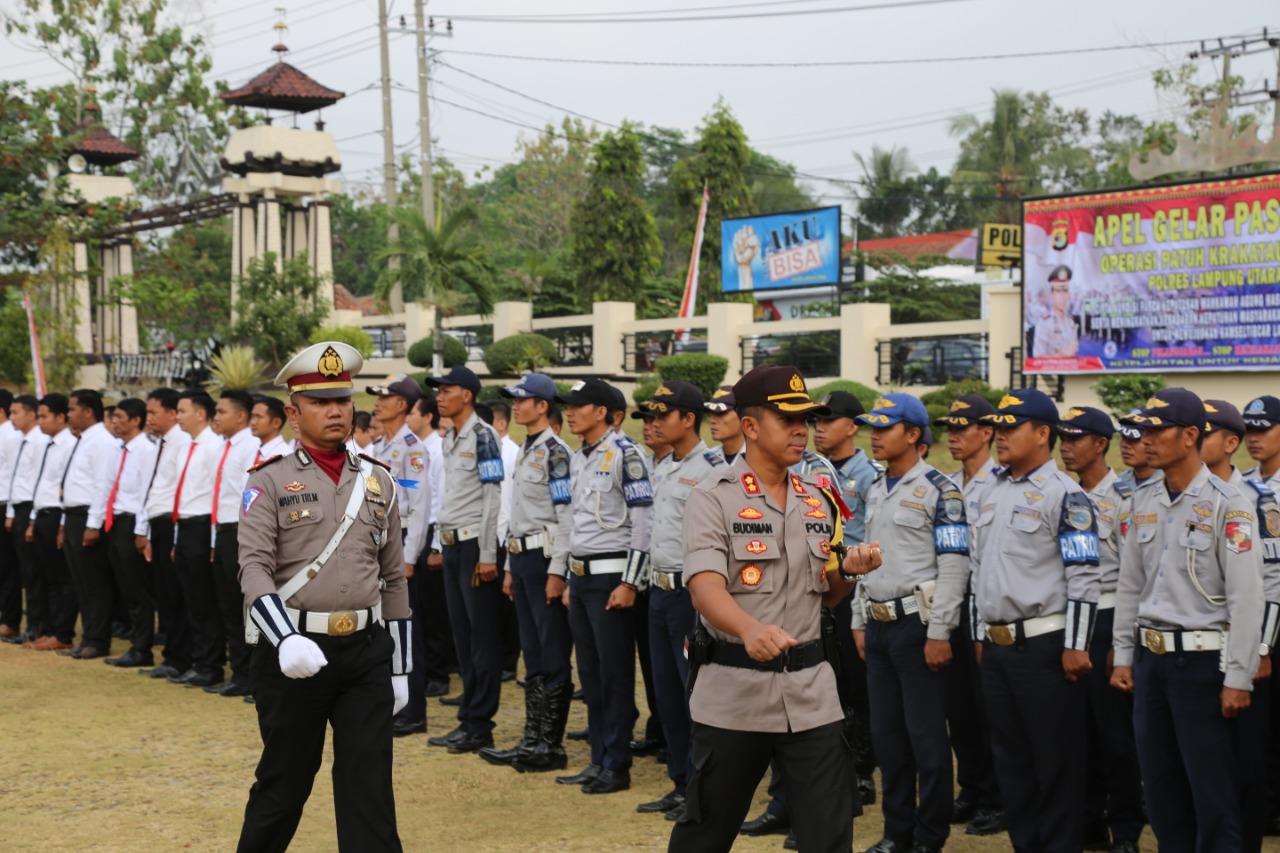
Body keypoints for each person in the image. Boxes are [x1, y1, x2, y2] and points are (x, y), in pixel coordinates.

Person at [668, 365, 873, 853]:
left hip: (811, 695)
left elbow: (824, 594)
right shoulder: (712, 498)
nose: (803, 430)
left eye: (808, 419)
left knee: (829, 835)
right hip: (735, 695)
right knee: (706, 832)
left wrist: (850, 571)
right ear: (752, 426)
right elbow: (704, 588)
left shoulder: (819, 500)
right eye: (789, 419)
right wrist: (750, 628)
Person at [235, 340, 410, 852]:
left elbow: (393, 577)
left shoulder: (378, 481)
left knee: (369, 788)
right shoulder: (267, 482)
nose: (335, 411)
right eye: (319, 401)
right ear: (293, 413)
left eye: (342, 399)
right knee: (283, 786)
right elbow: (253, 568)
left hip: (365, 653)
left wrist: (401, 666)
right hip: (293, 656)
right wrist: (284, 639)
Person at [1112, 388, 1264, 850]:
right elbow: (1129, 586)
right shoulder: (1143, 500)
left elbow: (1246, 596)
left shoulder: (1229, 503)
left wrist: (1239, 677)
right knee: (1160, 794)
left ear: (1190, 436)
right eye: (1145, 429)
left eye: (1159, 429)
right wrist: (1123, 655)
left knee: (1212, 795)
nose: (1147, 438)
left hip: (1201, 666)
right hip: (1151, 663)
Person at [973, 388, 1100, 852]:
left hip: (1045, 648)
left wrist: (1077, 645)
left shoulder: (1065, 495)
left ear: (1043, 433)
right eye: (997, 427)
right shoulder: (991, 490)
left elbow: (1085, 578)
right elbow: (977, 566)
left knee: (1056, 766)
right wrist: (978, 633)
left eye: (1010, 427)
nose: (998, 436)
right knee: (1013, 766)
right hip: (999, 648)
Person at [852, 393, 969, 853]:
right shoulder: (877, 487)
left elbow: (955, 565)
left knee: (926, 741)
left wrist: (940, 632)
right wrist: (861, 617)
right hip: (879, 626)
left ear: (914, 434)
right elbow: (868, 557)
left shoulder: (941, 490)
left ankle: (929, 837)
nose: (874, 436)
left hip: (918, 627)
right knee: (888, 738)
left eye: (885, 427)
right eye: (872, 427)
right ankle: (896, 833)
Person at [553, 378, 653, 795]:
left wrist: (631, 581)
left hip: (613, 578)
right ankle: (598, 758)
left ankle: (617, 763)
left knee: (614, 674)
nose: (571, 412)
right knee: (590, 673)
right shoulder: (579, 458)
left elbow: (643, 523)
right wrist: (566, 575)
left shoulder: (626, 456)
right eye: (569, 406)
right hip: (583, 577)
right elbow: (574, 523)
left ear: (603, 412)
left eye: (580, 406)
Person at [1056, 406, 1144, 852]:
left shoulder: (1124, 498)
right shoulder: (1059, 493)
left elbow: (1135, 576)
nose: (1065, 448)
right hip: (1069, 620)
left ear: (1101, 444)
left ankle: (1125, 828)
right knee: (1076, 732)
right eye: (1062, 439)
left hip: (1110, 617)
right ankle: (1088, 821)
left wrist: (1123, 641)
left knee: (1116, 736)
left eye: (1075, 439)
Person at [638, 381, 723, 821]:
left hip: (690, 594)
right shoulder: (665, 466)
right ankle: (678, 782)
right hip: (659, 590)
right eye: (650, 416)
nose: (652, 423)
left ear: (688, 419)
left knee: (695, 695)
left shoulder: (712, 468)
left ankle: (702, 790)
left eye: (661, 415)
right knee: (667, 694)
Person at [481, 373, 574, 773]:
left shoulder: (556, 452)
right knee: (532, 652)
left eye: (524, 400)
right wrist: (507, 568)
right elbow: (516, 515)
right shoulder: (525, 449)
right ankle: (532, 739)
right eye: (514, 400)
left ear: (543, 406)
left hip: (543, 559)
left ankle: (550, 746)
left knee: (551, 649)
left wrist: (558, 571)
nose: (515, 405)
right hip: (520, 559)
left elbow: (565, 515)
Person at [932, 394, 1004, 836]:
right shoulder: (947, 485)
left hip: (989, 609)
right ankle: (972, 788)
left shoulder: (1002, 482)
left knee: (989, 710)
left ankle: (997, 797)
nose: (954, 436)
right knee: (958, 708)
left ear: (988, 432)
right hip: (951, 607)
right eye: (949, 428)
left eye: (963, 428)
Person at [424, 365, 506, 754]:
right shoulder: (450, 437)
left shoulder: (484, 436)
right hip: (453, 544)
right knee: (462, 635)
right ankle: (468, 719)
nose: (439, 396)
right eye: (438, 391)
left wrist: (488, 553)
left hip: (476, 547)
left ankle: (480, 724)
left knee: (481, 639)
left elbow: (493, 495)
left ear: (468, 395)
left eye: (447, 389)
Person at [365, 374, 432, 737]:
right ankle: (392, 702)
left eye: (385, 397)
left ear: (402, 405)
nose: (378, 402)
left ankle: (413, 711)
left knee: (406, 628)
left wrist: (409, 557)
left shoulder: (412, 448)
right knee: (384, 627)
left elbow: (419, 507)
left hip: (401, 540)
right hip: (380, 540)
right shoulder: (381, 446)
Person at [136, 388, 194, 682]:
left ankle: (180, 657)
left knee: (175, 595)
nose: (148, 418)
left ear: (172, 414)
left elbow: (181, 490)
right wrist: (144, 529)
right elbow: (152, 490)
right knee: (164, 594)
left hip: (174, 523)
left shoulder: (183, 442)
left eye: (153, 412)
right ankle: (173, 655)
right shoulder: (159, 444)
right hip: (157, 523)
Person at [169, 389, 227, 688]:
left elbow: (216, 495)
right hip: (187, 526)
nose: (177, 416)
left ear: (200, 413)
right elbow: (183, 495)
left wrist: (213, 540)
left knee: (205, 600)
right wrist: (178, 538)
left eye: (182, 410)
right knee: (191, 598)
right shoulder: (186, 446)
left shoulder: (214, 446)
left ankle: (211, 665)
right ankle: (199, 660)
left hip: (205, 526)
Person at [207, 390, 262, 697]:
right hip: (223, 530)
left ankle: (249, 675)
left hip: (241, 531)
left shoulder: (250, 446)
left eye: (221, 411)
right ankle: (238, 671)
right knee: (227, 606)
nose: (216, 417)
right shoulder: (225, 446)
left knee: (244, 608)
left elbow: (249, 496)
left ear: (241, 416)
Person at [57, 390, 117, 659]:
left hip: (87, 518)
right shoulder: (83, 439)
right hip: (72, 516)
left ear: (88, 411)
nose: (69, 414)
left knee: (94, 583)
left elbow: (102, 485)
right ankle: (88, 636)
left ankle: (98, 640)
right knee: (80, 582)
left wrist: (93, 524)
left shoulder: (102, 441)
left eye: (72, 409)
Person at [102, 398, 159, 669]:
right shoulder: (121, 449)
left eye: (119, 417)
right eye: (113, 417)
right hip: (117, 522)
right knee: (125, 587)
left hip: (132, 523)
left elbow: (146, 492)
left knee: (138, 591)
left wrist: (141, 530)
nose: (114, 422)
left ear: (136, 420)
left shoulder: (146, 450)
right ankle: (137, 642)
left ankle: (142, 648)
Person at [26, 394, 77, 651]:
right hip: (43, 513)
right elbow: (42, 484)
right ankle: (48, 630)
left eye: (44, 416)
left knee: (62, 578)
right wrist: (33, 520)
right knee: (47, 577)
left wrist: (63, 524)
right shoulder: (49, 443)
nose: (40, 421)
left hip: (58, 513)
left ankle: (63, 633)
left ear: (60, 417)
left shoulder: (70, 445)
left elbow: (66, 488)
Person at [4, 395, 47, 646]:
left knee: (33, 573)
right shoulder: (22, 440)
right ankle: (31, 626)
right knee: (25, 571)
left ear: (31, 415)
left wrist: (30, 517)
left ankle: (36, 627)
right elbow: (15, 479)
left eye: (16, 413)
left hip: (32, 507)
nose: (12, 418)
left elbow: (40, 482)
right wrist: (11, 513)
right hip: (19, 507)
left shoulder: (40, 441)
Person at [0, 389, 19, 639]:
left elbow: (18, 476)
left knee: (8, 567)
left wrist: (11, 512)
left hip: (5, 503)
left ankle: (11, 620)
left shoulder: (11, 436)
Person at [1031, 267, 1079, 358]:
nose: (1062, 296)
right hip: (1052, 371)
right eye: (1058, 291)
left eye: (1065, 291)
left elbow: (1073, 351)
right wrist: (1060, 355)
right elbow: (1038, 356)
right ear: (1051, 295)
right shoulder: (1044, 322)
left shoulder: (1070, 322)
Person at [705, 386, 744, 464]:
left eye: (720, 413)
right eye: (711, 413)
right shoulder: (708, 457)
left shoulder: (761, 458)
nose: (712, 420)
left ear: (742, 416)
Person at [250, 395, 292, 463]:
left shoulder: (284, 456)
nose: (252, 422)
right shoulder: (253, 451)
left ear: (276, 423)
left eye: (259, 417)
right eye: (252, 416)